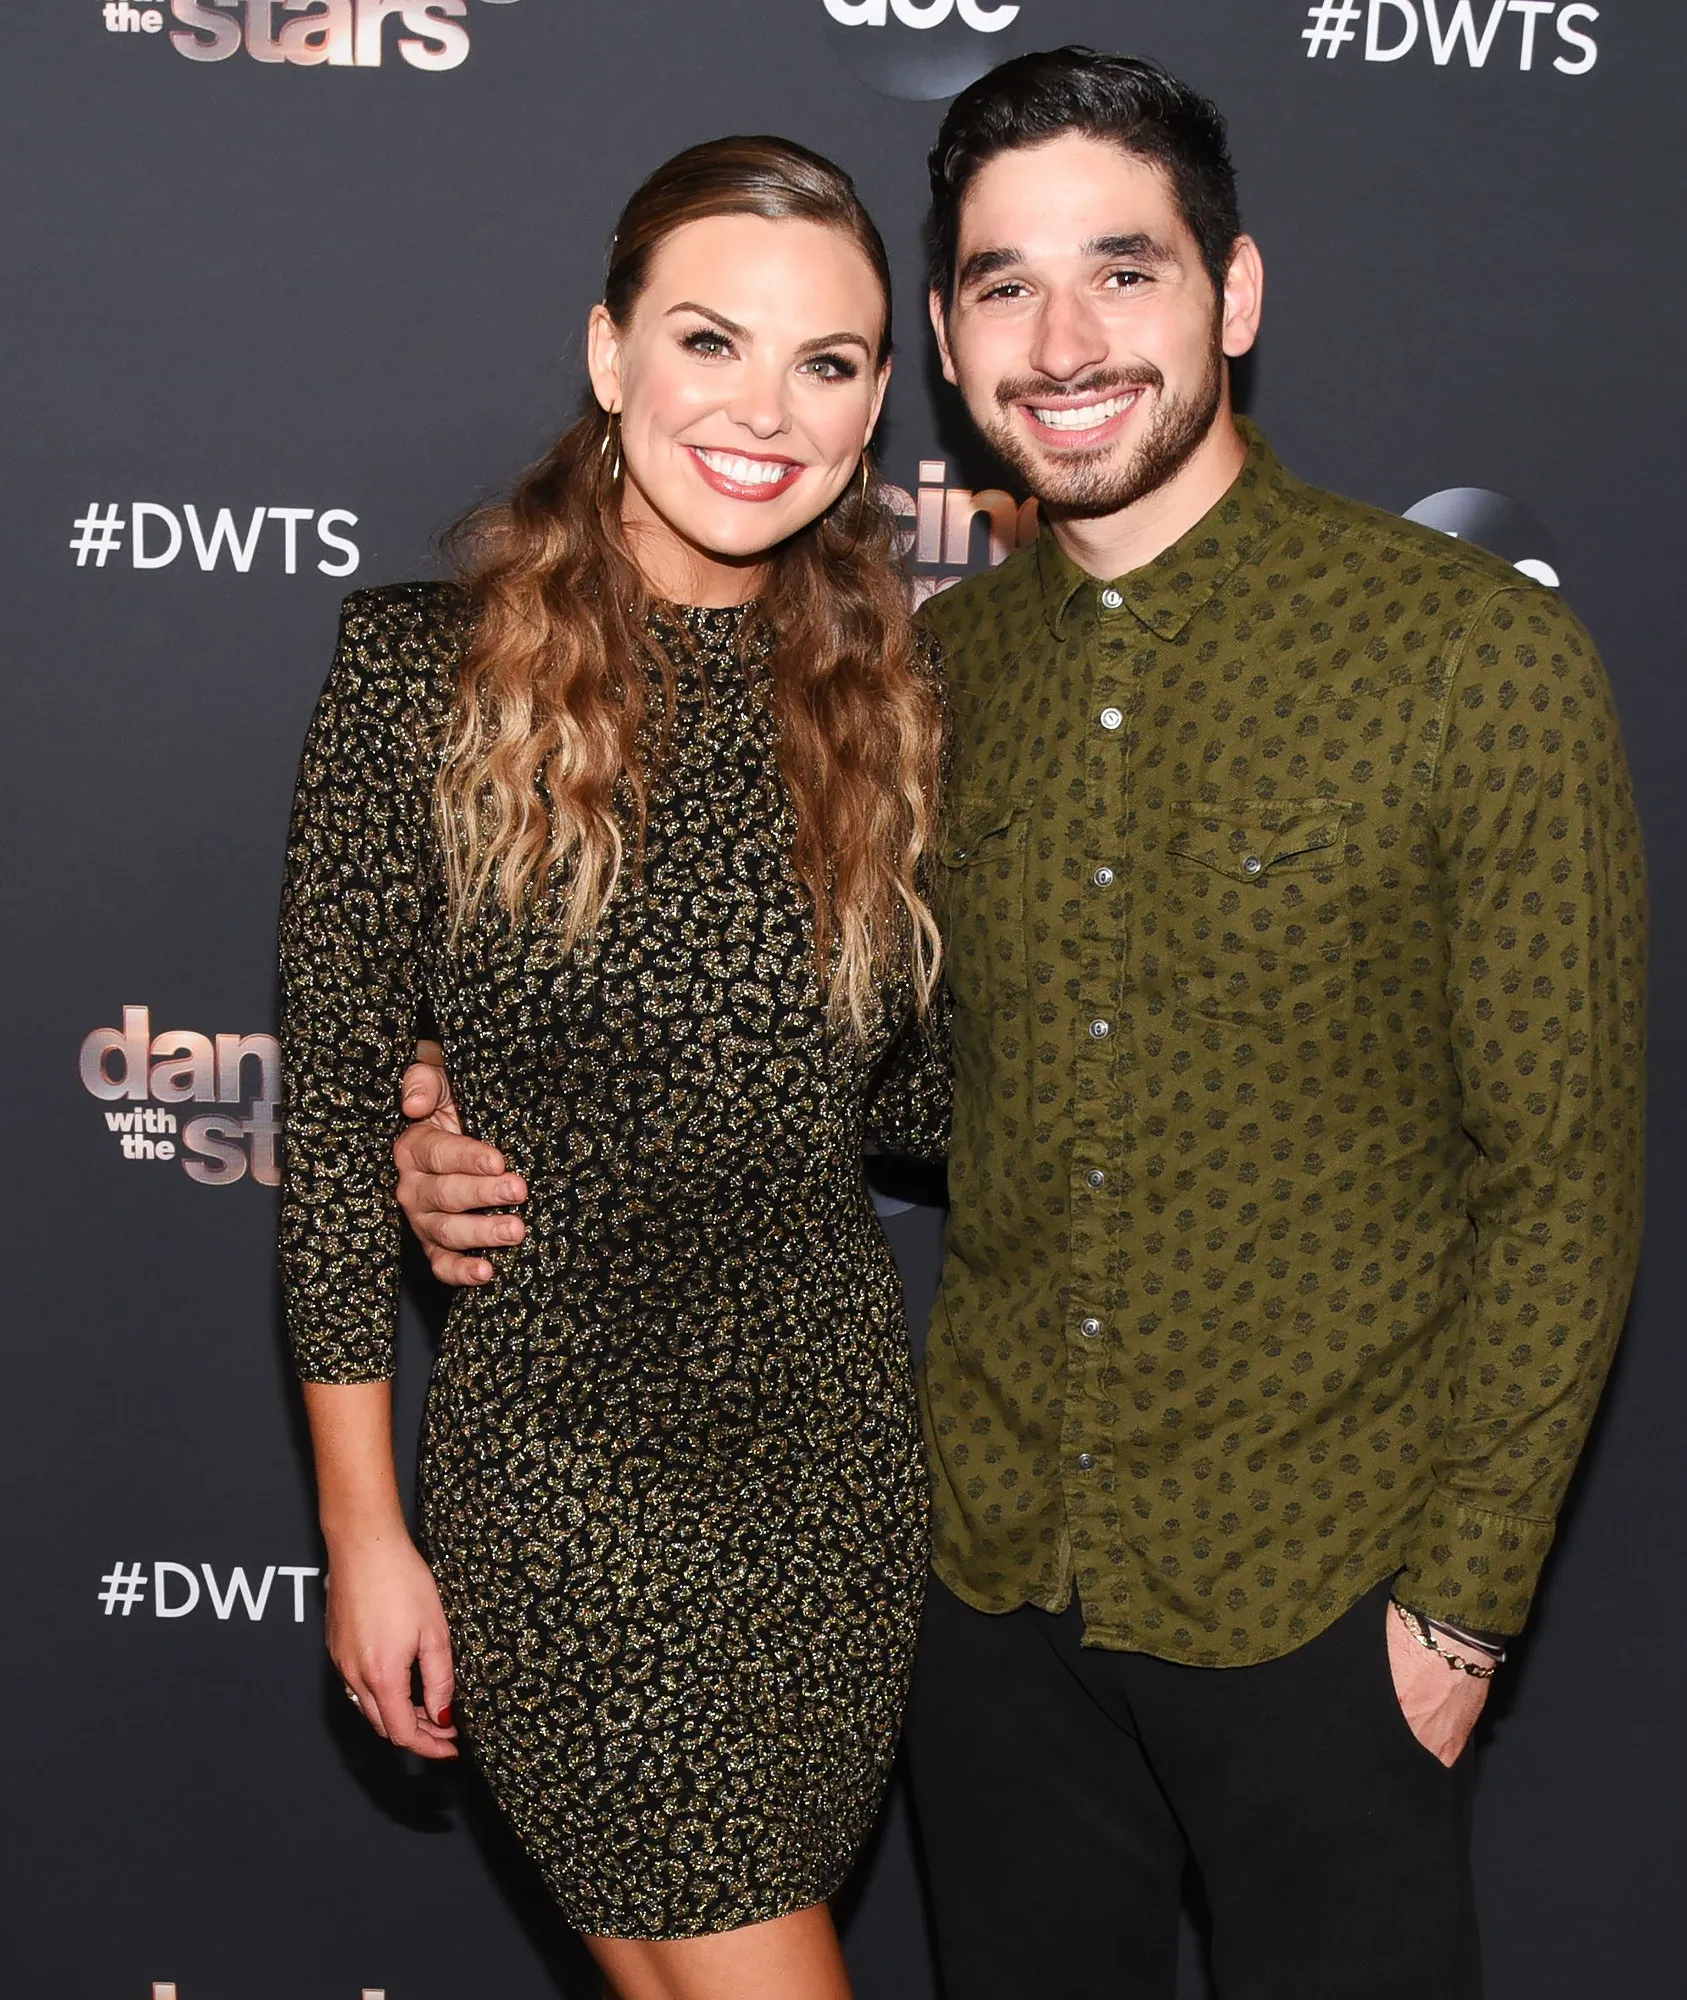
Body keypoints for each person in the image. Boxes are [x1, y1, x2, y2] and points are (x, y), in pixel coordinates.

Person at [393, 49, 1648, 2000]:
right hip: (980, 1588)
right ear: (952, 353)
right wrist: (481, 1112)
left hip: (1320, 1586)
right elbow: (840, 1071)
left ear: (1231, 295)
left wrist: (1466, 1603)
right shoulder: (916, 678)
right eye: (998, 285)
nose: (1063, 340)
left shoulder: (1469, 655)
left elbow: (1559, 1172)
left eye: (1121, 273)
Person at [277, 136, 953, 2000]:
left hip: (825, 1466)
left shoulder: (903, 709)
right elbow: (336, 1135)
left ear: (880, 399)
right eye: (709, 342)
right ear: (608, 352)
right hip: (557, 1459)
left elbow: (918, 1097)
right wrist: (364, 1535)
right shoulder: (426, 678)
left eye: (826, 364)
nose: (764, 410)